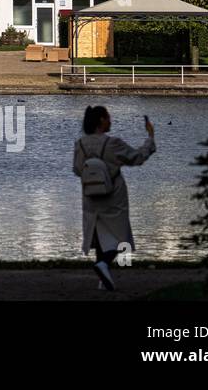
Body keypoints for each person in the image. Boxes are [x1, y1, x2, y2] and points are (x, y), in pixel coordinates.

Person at [73, 105, 155, 291]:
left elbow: (78, 169)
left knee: (99, 236)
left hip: (90, 196)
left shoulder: (80, 144)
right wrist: (150, 138)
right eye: (108, 117)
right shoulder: (113, 143)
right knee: (122, 237)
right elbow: (137, 157)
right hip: (113, 195)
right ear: (101, 120)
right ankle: (104, 266)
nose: (111, 120)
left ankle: (103, 279)